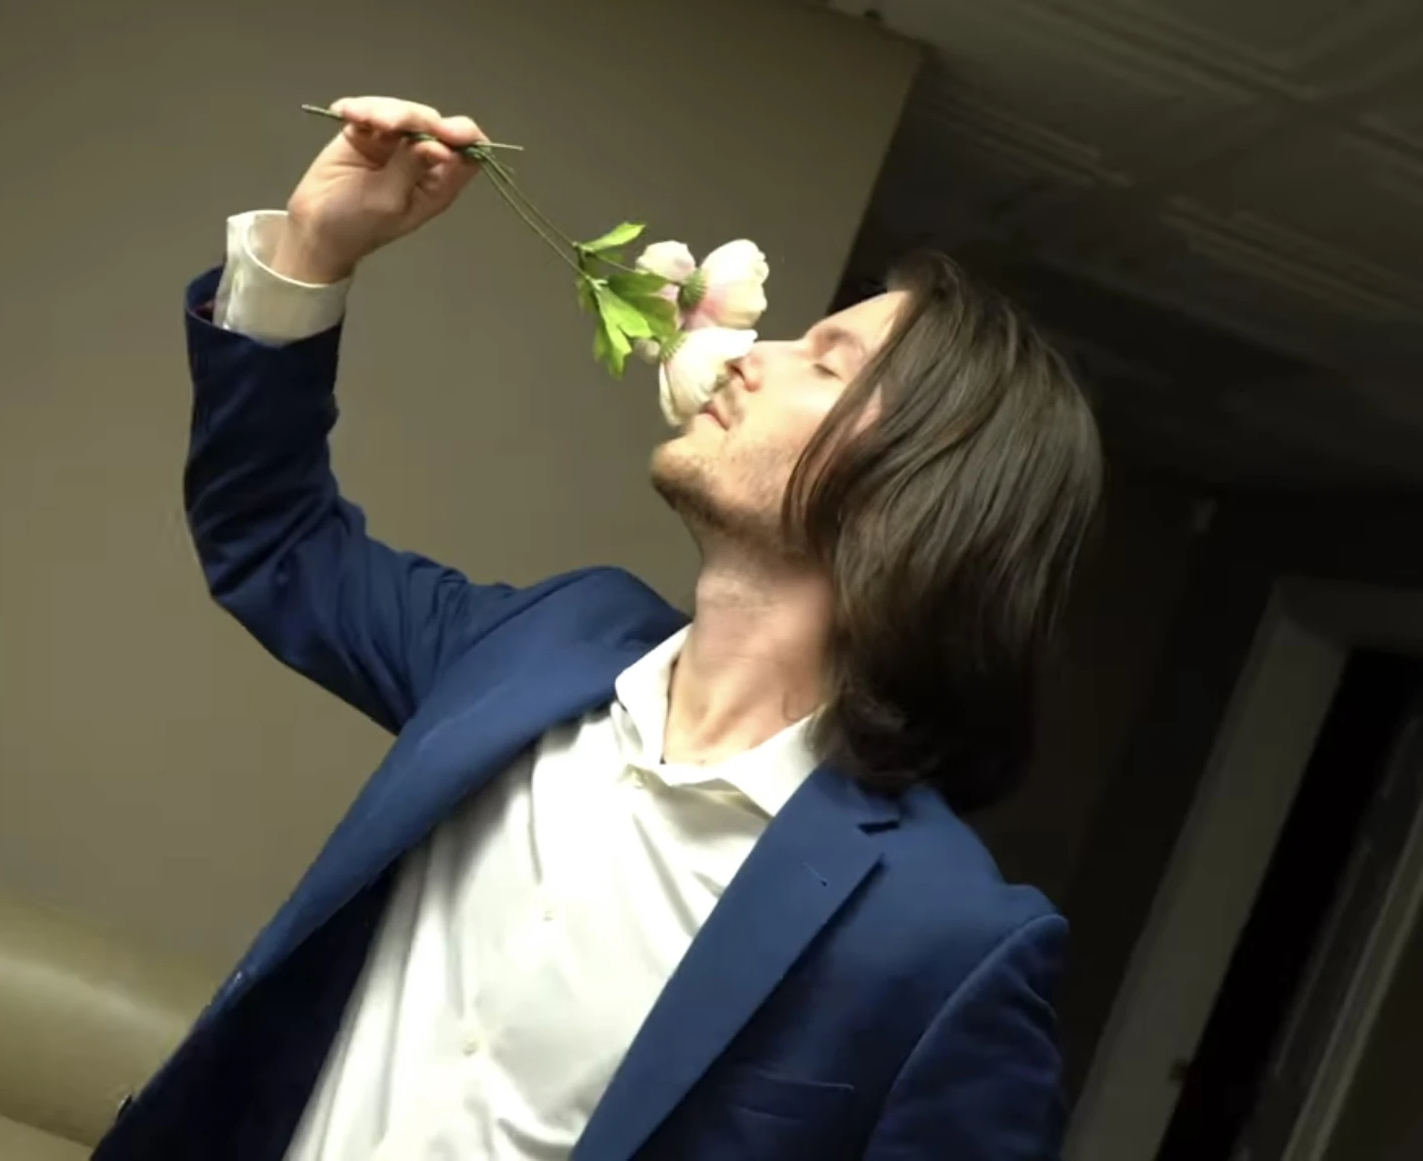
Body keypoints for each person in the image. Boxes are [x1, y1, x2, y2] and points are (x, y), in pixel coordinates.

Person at [94, 96, 1104, 1161]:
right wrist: (312, 251)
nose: (750, 356)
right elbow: (275, 540)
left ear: (922, 486)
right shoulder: (546, 644)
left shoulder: (946, 943)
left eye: (825, 361)